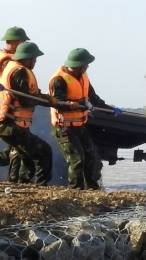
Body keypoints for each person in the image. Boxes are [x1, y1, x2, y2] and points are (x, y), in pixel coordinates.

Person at [47, 48, 121, 190]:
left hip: (81, 126)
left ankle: (92, 190)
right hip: (65, 128)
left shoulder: (83, 77)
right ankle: (75, 192)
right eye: (86, 64)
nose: (87, 67)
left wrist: (110, 110)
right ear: (78, 65)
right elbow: (58, 104)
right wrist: (82, 104)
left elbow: (93, 98)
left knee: (91, 158)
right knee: (77, 161)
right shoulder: (59, 80)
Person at [0, 41, 54, 184]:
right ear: (27, 58)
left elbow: (28, 93)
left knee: (25, 154)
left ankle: (20, 183)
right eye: (34, 58)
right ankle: (41, 186)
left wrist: (44, 98)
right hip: (10, 125)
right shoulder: (19, 71)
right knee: (44, 151)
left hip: (7, 124)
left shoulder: (13, 67)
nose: (35, 61)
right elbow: (26, 99)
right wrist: (48, 100)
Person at [0, 25, 31, 174]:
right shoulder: (8, 62)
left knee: (17, 144)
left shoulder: (3, 57)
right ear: (14, 42)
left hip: (6, 106)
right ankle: (14, 179)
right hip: (9, 108)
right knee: (20, 144)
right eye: (22, 42)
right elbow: (14, 85)